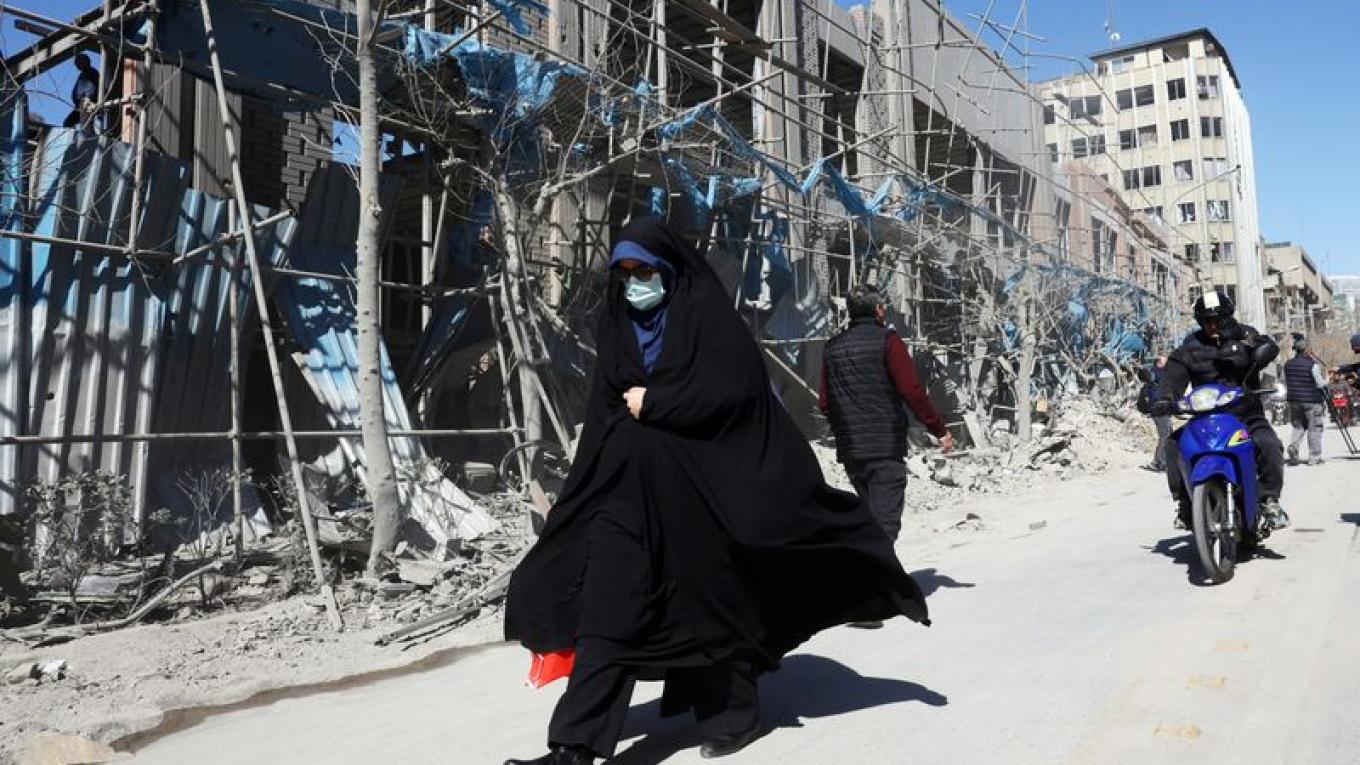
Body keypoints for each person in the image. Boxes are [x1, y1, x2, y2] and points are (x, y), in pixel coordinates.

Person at [503, 219, 930, 765]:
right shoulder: (616, 323)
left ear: (669, 269)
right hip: (625, 496)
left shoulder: (706, 318)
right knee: (608, 611)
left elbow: (735, 394)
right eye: (624, 273)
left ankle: (734, 716)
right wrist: (579, 497)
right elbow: (603, 412)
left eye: (643, 271)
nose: (633, 284)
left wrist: (658, 403)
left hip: (699, 494)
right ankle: (573, 748)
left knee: (705, 608)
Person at [818, 284, 953, 546]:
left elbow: (825, 402)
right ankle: (876, 572)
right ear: (879, 310)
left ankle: (871, 568)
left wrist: (846, 430)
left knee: (872, 522)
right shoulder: (888, 341)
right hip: (884, 448)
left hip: (852, 451)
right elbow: (912, 391)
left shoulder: (832, 348)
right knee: (884, 525)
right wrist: (939, 429)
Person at [1150, 289, 1286, 529]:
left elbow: (1268, 347)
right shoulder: (1191, 347)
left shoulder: (1244, 335)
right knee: (1172, 445)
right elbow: (1174, 373)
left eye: (1217, 319)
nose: (1212, 325)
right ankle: (1184, 503)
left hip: (1245, 415)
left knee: (1268, 443)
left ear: (1227, 317)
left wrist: (1247, 343)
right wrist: (1164, 398)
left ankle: (1269, 500)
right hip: (1205, 418)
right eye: (1206, 321)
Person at [1283, 334, 1326, 466]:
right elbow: (1320, 384)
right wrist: (1328, 380)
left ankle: (1293, 447)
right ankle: (1314, 457)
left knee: (1298, 427)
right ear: (1307, 350)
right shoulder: (1312, 365)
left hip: (1293, 401)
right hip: (1312, 401)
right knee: (1314, 428)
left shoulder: (1287, 365)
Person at [1136, 355, 1172, 471]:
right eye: (1165, 360)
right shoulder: (1156, 374)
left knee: (1167, 435)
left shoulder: (1162, 374)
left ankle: (1159, 462)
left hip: (1162, 409)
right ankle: (1160, 463)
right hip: (1159, 410)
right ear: (1159, 363)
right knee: (1165, 436)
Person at [62, 54, 99, 134]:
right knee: (67, 123)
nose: (78, 66)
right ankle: (74, 136)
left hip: (87, 103)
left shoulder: (92, 72)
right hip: (79, 105)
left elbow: (92, 88)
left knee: (86, 126)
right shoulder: (82, 75)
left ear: (85, 62)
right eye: (77, 64)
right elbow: (77, 90)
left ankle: (89, 137)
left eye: (79, 63)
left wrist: (87, 99)